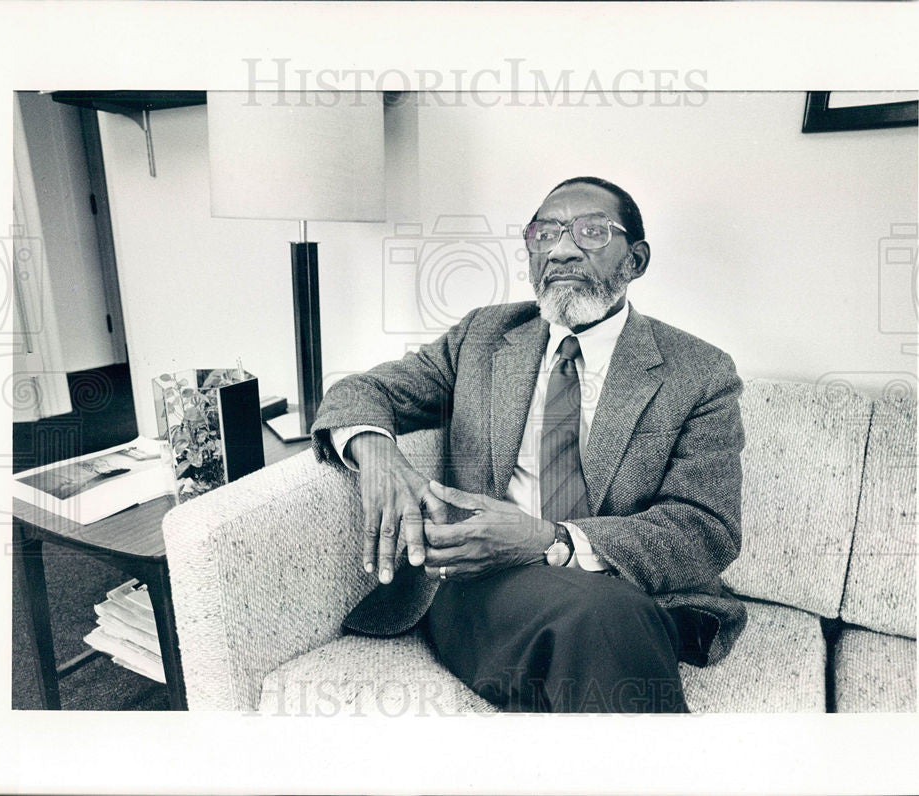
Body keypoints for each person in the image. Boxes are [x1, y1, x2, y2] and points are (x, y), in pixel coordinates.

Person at [311, 176, 746, 713]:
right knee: (599, 619)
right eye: (544, 233)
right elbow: (362, 391)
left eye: (589, 231)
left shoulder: (698, 372)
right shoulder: (484, 335)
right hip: (480, 583)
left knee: (603, 615)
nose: (560, 249)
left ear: (635, 260)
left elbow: (706, 529)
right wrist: (377, 457)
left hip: (624, 589)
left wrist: (549, 540)